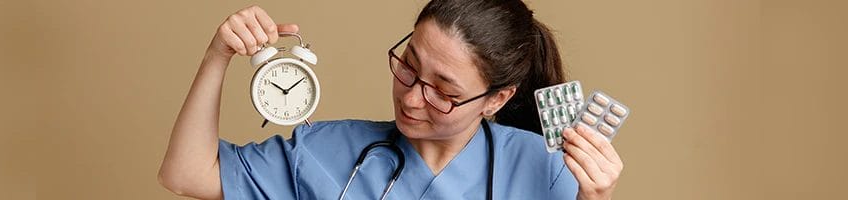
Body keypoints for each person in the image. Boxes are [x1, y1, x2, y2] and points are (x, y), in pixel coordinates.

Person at [158, 0, 623, 199]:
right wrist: (219, 55)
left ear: (496, 99)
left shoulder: (549, 169)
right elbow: (186, 174)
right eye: (409, 65)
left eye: (443, 90)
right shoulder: (325, 152)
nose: (412, 99)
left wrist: (595, 198)